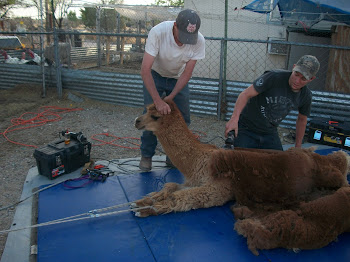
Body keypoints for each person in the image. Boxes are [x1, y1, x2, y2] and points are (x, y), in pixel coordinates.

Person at [139, 9, 205, 171]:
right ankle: (147, 156)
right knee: (152, 116)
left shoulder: (199, 41)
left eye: (189, 38)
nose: (184, 42)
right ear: (175, 26)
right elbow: (145, 70)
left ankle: (173, 157)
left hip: (177, 78)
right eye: (182, 36)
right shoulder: (158, 32)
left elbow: (187, 73)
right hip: (155, 75)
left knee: (182, 118)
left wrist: (171, 97)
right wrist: (158, 101)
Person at [225, 55, 320, 150]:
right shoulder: (274, 77)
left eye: (303, 79)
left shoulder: (306, 95)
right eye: (296, 74)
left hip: (269, 132)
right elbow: (245, 94)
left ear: (311, 79)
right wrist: (234, 119)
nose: (297, 80)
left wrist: (298, 146)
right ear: (293, 67)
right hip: (247, 127)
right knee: (237, 158)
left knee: (279, 162)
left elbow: (302, 119)